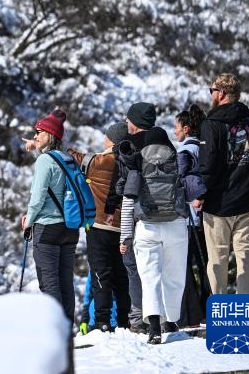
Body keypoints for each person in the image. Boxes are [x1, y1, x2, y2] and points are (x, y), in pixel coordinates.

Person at [197, 73, 249, 295]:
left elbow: (208, 166)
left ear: (221, 93)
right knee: (245, 254)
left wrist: (199, 194)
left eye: (212, 91)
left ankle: (218, 306)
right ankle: (246, 303)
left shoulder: (211, 124)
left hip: (218, 204)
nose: (211, 95)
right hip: (248, 200)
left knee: (218, 257)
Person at [120, 126, 191, 344]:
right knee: (174, 276)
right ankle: (170, 321)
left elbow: (128, 201)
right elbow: (189, 191)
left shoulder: (139, 163)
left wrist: (125, 236)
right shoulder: (178, 160)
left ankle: (153, 327)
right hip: (176, 225)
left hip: (146, 228)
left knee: (149, 278)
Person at [21, 108, 79, 324]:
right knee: (65, 281)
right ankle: (67, 327)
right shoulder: (67, 158)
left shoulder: (45, 161)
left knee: (49, 282)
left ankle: (55, 328)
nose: (35, 136)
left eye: (39, 132)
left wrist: (29, 220)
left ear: (50, 135)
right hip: (70, 228)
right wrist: (36, 148)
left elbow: (37, 197)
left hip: (47, 228)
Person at [107, 101, 155, 332]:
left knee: (134, 270)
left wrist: (124, 236)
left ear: (135, 122)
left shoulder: (129, 149)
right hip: (170, 220)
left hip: (140, 222)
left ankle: (139, 319)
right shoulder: (164, 145)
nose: (126, 123)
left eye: (129, 119)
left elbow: (128, 196)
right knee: (157, 271)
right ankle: (162, 318)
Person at [80, 122, 132, 331]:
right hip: (124, 228)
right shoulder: (131, 161)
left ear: (111, 139)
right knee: (122, 276)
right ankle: (124, 319)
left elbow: (74, 158)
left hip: (99, 225)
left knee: (101, 274)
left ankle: (102, 320)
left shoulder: (99, 161)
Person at [173, 104, 209, 327]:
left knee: (187, 267)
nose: (175, 132)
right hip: (206, 215)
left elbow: (178, 179)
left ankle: (193, 314)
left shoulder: (185, 151)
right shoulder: (203, 147)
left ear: (186, 128)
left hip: (189, 218)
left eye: (176, 127)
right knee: (207, 264)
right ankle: (211, 307)